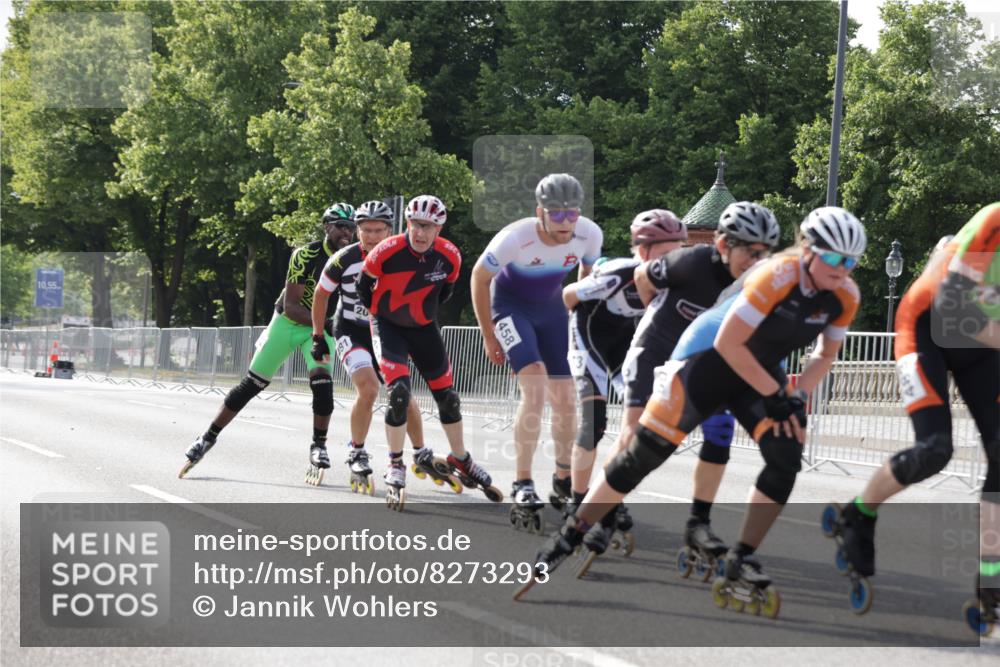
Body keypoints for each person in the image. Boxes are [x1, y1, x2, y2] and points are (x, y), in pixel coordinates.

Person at [525, 207, 865, 619]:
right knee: (642, 454)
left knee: (786, 453)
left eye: (851, 261)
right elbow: (729, 345)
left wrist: (797, 395)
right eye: (832, 258)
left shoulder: (846, 294)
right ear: (808, 251)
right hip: (706, 358)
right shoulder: (774, 275)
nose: (841, 269)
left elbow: (826, 353)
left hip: (756, 370)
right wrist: (776, 392)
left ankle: (742, 556)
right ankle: (572, 531)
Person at [831, 203, 998, 625]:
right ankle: (859, 511)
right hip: (925, 325)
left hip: (983, 344)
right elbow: (956, 305)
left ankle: (992, 578)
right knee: (935, 449)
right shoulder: (994, 220)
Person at [599, 202, 781, 560]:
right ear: (725, 246)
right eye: (748, 251)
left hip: (703, 362)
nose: (754, 261)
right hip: (656, 349)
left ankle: (698, 523)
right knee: (636, 432)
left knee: (719, 435)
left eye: (763, 253)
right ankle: (605, 505)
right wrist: (657, 311)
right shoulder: (691, 261)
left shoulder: (761, 282)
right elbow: (642, 278)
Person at [180, 203, 357, 480]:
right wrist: (328, 323)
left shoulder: (352, 259)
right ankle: (207, 437)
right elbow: (291, 306)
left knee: (323, 384)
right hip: (288, 322)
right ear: (327, 227)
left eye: (351, 227)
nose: (347, 233)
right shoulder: (306, 254)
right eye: (341, 227)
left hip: (320, 329)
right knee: (252, 384)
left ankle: (319, 446)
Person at [470, 173, 602, 531]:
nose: (565, 222)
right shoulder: (515, 238)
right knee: (536, 388)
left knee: (566, 400)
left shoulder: (589, 233)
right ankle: (523, 482)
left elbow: (586, 275)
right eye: (556, 214)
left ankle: (562, 477)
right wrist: (488, 334)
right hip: (510, 308)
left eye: (571, 214)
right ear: (539, 211)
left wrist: (577, 317)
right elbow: (479, 278)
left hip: (552, 309)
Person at [357, 195, 501, 510]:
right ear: (407, 223)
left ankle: (460, 458)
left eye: (428, 227)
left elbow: (445, 292)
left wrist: (420, 315)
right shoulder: (387, 250)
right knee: (399, 394)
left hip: (424, 329)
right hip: (388, 327)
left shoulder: (451, 256)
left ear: (439, 228)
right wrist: (381, 316)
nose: (420, 233)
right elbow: (362, 287)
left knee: (448, 397)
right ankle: (395, 462)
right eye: (415, 225)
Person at [560, 209, 687, 546]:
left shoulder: (674, 282)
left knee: (637, 429)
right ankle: (578, 503)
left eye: (678, 250)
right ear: (643, 250)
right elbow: (569, 297)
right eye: (665, 252)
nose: (673, 260)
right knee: (594, 424)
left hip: (624, 346)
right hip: (589, 339)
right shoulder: (618, 274)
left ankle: (610, 497)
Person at [309, 200, 428, 494]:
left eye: (378, 230)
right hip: (350, 328)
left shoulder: (406, 256)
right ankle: (357, 451)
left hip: (386, 330)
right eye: (366, 230)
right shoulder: (343, 258)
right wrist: (316, 336)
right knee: (369, 388)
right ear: (357, 231)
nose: (372, 236)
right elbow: (321, 295)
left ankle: (421, 451)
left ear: (390, 230)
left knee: (402, 392)